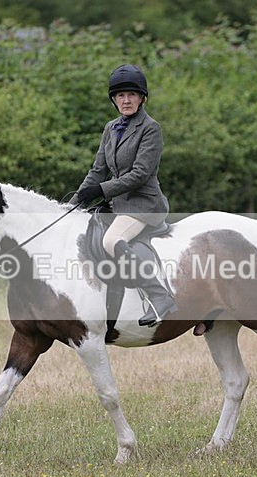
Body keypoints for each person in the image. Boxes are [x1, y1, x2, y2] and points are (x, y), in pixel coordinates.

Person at [71, 64, 177, 327]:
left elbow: (140, 174)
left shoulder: (151, 128)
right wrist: (72, 205)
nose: (126, 100)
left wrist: (102, 190)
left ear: (142, 98)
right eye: (120, 95)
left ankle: (159, 296)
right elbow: (97, 171)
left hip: (144, 205)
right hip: (119, 205)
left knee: (112, 240)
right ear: (114, 100)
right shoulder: (111, 128)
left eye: (131, 94)